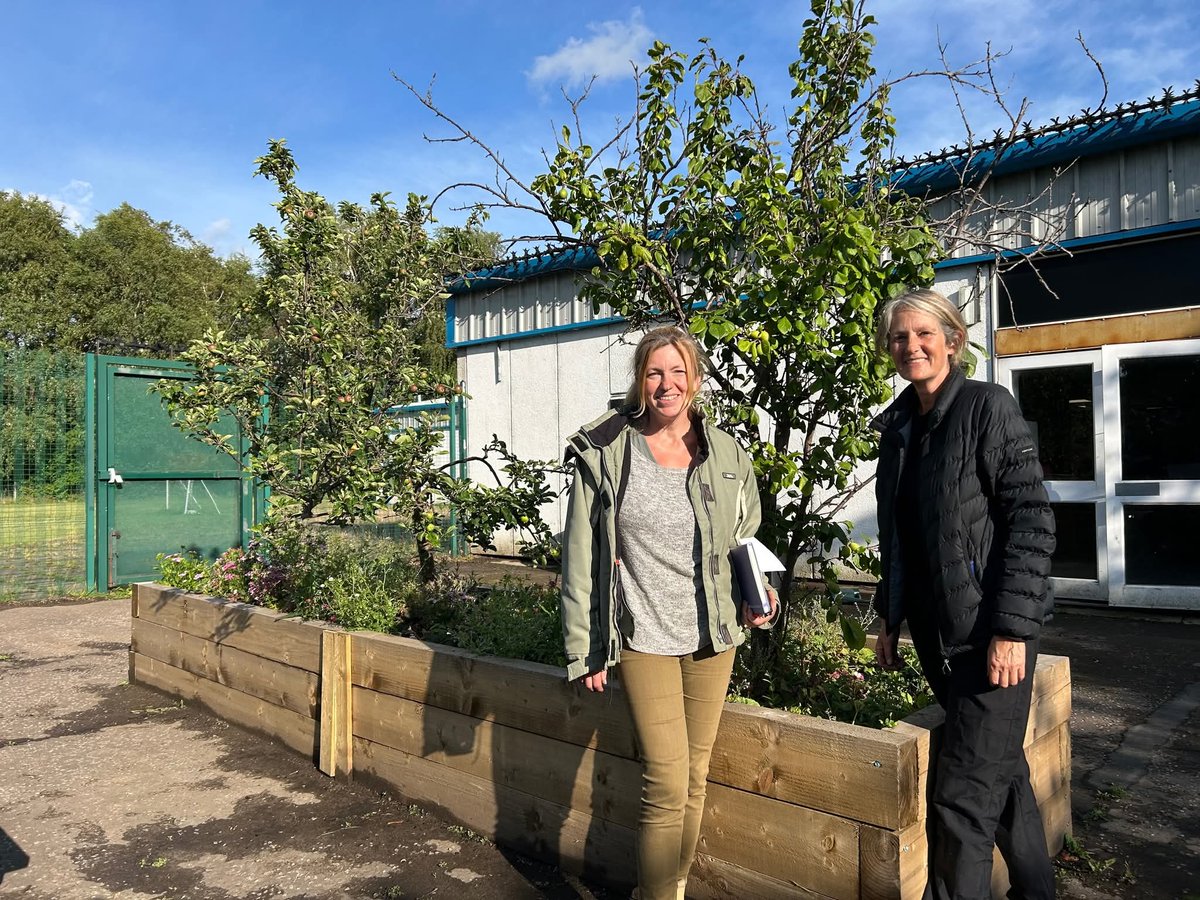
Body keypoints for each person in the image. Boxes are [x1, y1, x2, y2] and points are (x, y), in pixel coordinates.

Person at [559, 325, 776, 900]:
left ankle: (670, 887)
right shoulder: (607, 449)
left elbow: (745, 534)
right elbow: (581, 554)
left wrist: (760, 593)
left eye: (678, 372)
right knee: (665, 779)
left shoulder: (725, 451)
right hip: (643, 634)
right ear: (639, 381)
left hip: (713, 633)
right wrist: (586, 649)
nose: (666, 384)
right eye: (654, 372)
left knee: (695, 775)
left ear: (696, 381)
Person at [872, 289, 1057, 900]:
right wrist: (890, 618)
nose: (911, 346)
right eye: (899, 337)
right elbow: (902, 538)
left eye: (925, 333)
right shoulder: (900, 428)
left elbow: (1031, 520)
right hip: (939, 638)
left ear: (952, 339)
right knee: (1002, 784)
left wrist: (1010, 631)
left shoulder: (986, 408)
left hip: (990, 638)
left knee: (960, 802)